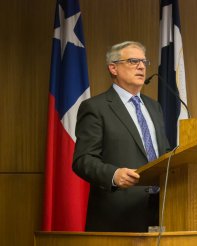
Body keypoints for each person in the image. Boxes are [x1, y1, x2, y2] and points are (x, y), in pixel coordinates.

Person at [72, 41, 171, 232]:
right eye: (134, 61)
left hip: (161, 210)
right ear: (113, 68)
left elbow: (164, 152)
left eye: (144, 61)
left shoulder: (154, 107)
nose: (141, 66)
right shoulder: (96, 107)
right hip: (118, 215)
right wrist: (113, 175)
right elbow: (83, 160)